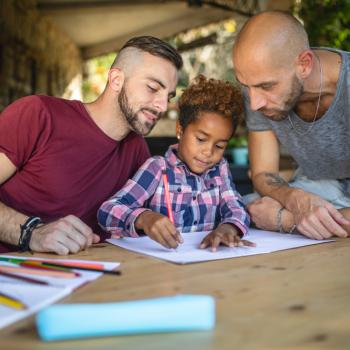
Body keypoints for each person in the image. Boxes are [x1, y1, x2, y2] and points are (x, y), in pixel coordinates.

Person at [0, 36, 183, 254]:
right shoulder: (38, 114)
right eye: (153, 88)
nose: (162, 106)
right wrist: (31, 232)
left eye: (168, 95)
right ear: (116, 80)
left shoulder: (137, 150)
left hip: (89, 277)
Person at [98, 75, 253, 251]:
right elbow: (108, 211)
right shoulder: (158, 168)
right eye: (201, 139)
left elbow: (237, 208)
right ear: (180, 129)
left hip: (207, 266)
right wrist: (145, 218)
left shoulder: (220, 170)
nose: (208, 152)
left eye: (219, 146)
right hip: (160, 268)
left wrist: (229, 228)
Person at [232, 10, 350, 240]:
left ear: (304, 64)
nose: (255, 103)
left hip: (331, 202)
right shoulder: (256, 88)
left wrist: (286, 220)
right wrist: (295, 199)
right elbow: (263, 173)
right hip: (318, 190)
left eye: (266, 86)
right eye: (246, 85)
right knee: (244, 207)